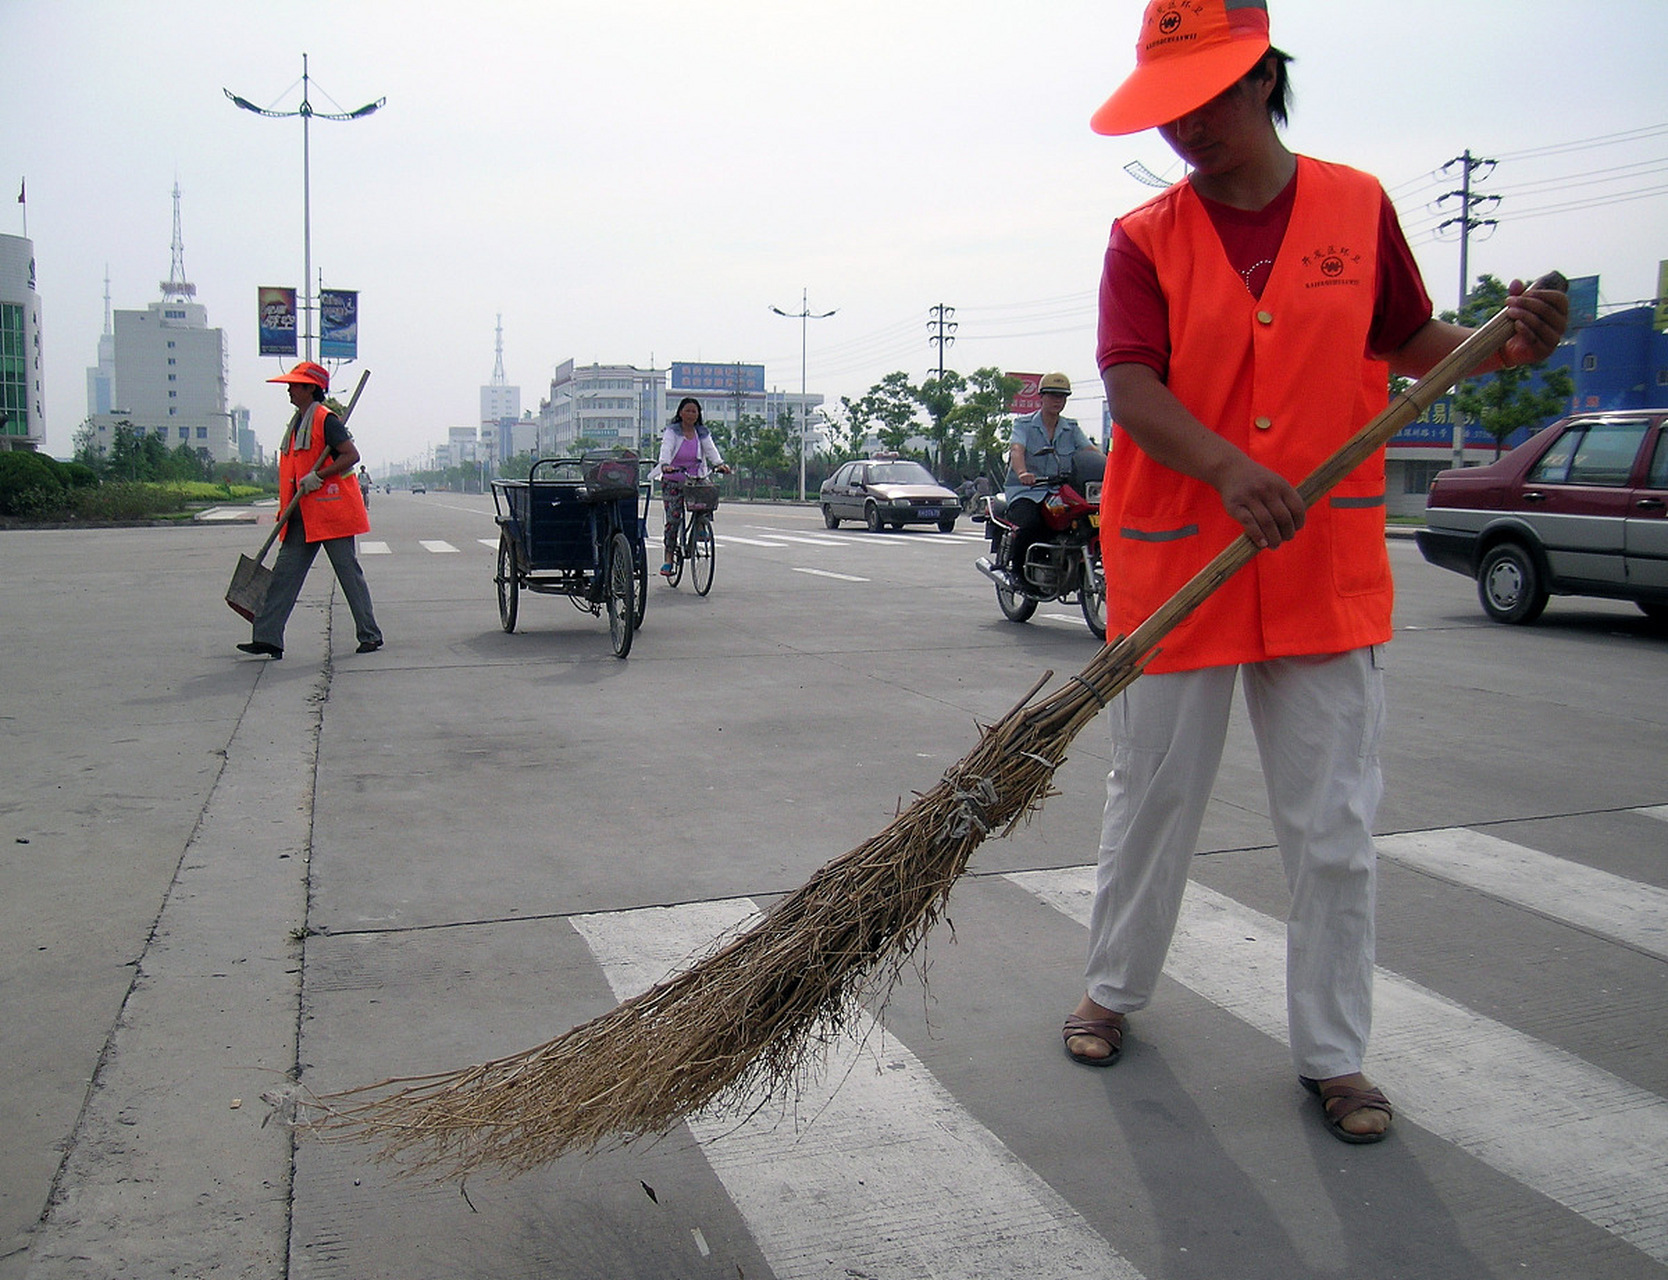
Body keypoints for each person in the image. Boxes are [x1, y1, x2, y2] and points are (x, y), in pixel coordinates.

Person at [1063, 0, 1568, 1145]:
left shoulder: (1355, 205)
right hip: (1179, 559)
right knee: (1154, 799)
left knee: (1333, 821)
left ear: (1264, 81)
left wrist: (1509, 345)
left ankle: (1335, 1054)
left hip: (1318, 563)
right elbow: (1133, 387)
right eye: (1169, 109)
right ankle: (1114, 988)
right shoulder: (1143, 236)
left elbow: (1409, 339)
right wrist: (1230, 468)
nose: (1186, 127)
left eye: (1206, 100)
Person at [237, 361, 384, 660]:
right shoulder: (296, 424)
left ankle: (369, 634)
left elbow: (351, 456)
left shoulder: (326, 420)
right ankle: (268, 638)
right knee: (282, 577)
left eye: (294, 385)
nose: (289, 390)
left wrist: (320, 475)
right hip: (301, 514)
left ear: (310, 389)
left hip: (332, 514)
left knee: (348, 575)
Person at [999, 372, 1097, 584]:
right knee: (1032, 523)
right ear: (1041, 397)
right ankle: (1017, 573)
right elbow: (1017, 449)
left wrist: (1111, 467)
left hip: (1057, 492)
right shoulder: (1023, 424)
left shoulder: (1071, 427)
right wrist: (1023, 473)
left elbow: (1090, 450)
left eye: (1062, 396)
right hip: (1027, 491)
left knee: (1081, 521)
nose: (1057, 400)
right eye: (1052, 395)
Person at [649, 396, 731, 576]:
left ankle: (701, 527)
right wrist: (665, 464)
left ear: (698, 414)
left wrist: (719, 464)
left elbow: (711, 450)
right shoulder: (673, 431)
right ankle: (669, 558)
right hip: (673, 478)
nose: (691, 414)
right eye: (688, 410)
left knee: (708, 493)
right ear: (680, 413)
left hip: (696, 476)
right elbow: (666, 448)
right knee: (674, 519)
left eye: (694, 411)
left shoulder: (702, 432)